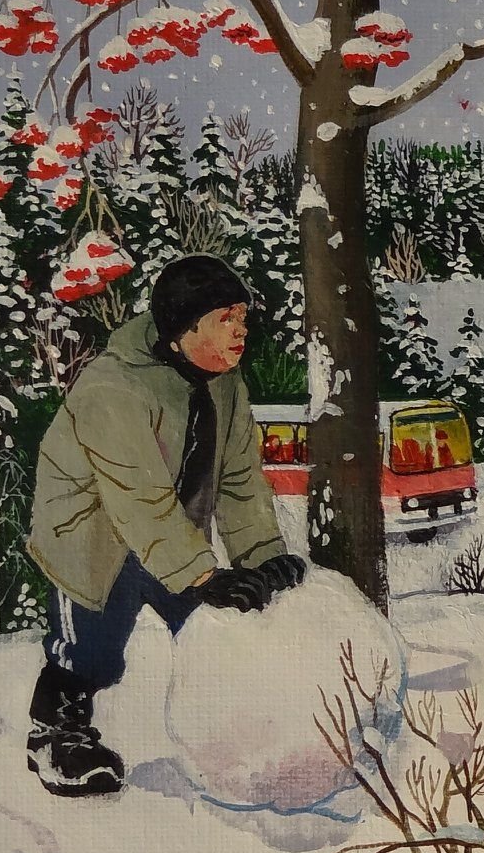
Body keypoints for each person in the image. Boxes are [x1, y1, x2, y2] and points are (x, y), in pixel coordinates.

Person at [25, 255, 307, 797]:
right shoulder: (113, 387)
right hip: (94, 533)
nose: (241, 330)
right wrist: (203, 575)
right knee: (91, 650)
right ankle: (57, 736)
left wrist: (262, 557)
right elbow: (139, 499)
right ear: (184, 329)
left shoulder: (224, 382)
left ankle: (239, 741)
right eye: (225, 318)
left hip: (171, 534)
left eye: (242, 316)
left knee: (219, 628)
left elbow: (239, 477)